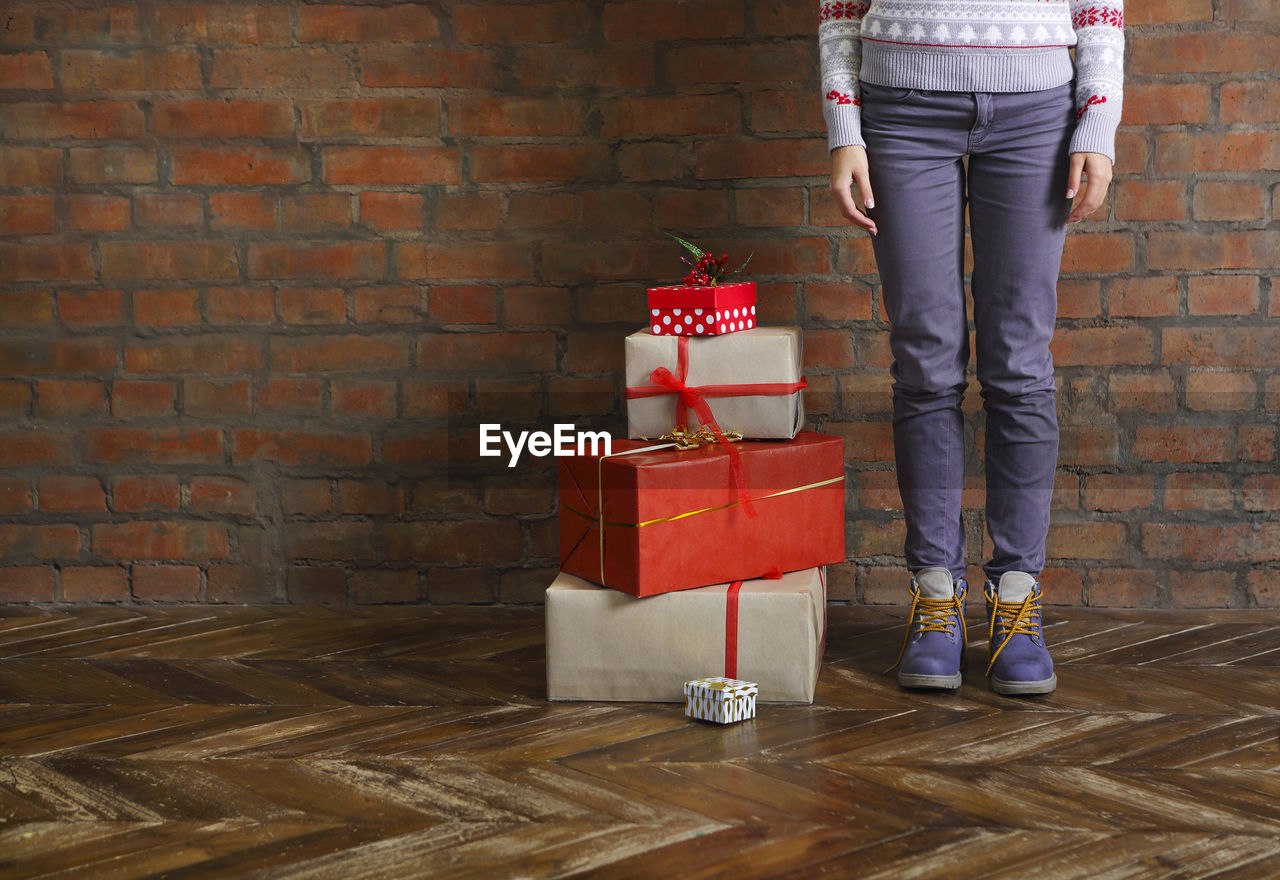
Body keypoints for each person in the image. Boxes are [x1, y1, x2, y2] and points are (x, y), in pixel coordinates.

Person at [819, 1, 1124, 694]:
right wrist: (845, 127)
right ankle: (936, 599)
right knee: (925, 362)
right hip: (899, 108)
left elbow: (1100, 8)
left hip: (1037, 109)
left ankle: (1017, 600)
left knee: (1019, 365)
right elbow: (838, 7)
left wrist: (1097, 123)